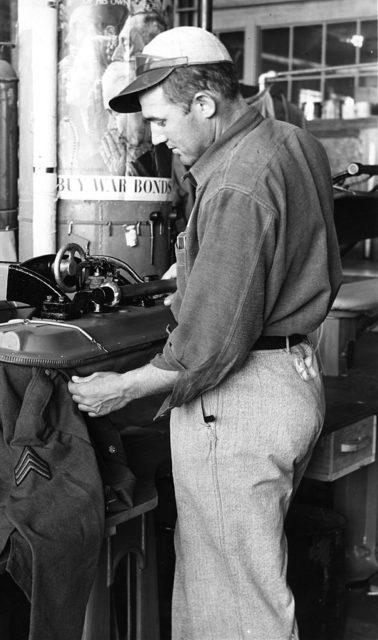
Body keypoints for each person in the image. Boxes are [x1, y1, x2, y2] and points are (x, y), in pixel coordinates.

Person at [68, 26, 342, 640]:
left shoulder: (239, 185)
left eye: (162, 121)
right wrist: (192, 264)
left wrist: (121, 388)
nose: (157, 137)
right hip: (293, 377)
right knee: (227, 578)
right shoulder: (291, 142)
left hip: (241, 402)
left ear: (205, 103)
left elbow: (209, 345)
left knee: (239, 603)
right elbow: (281, 249)